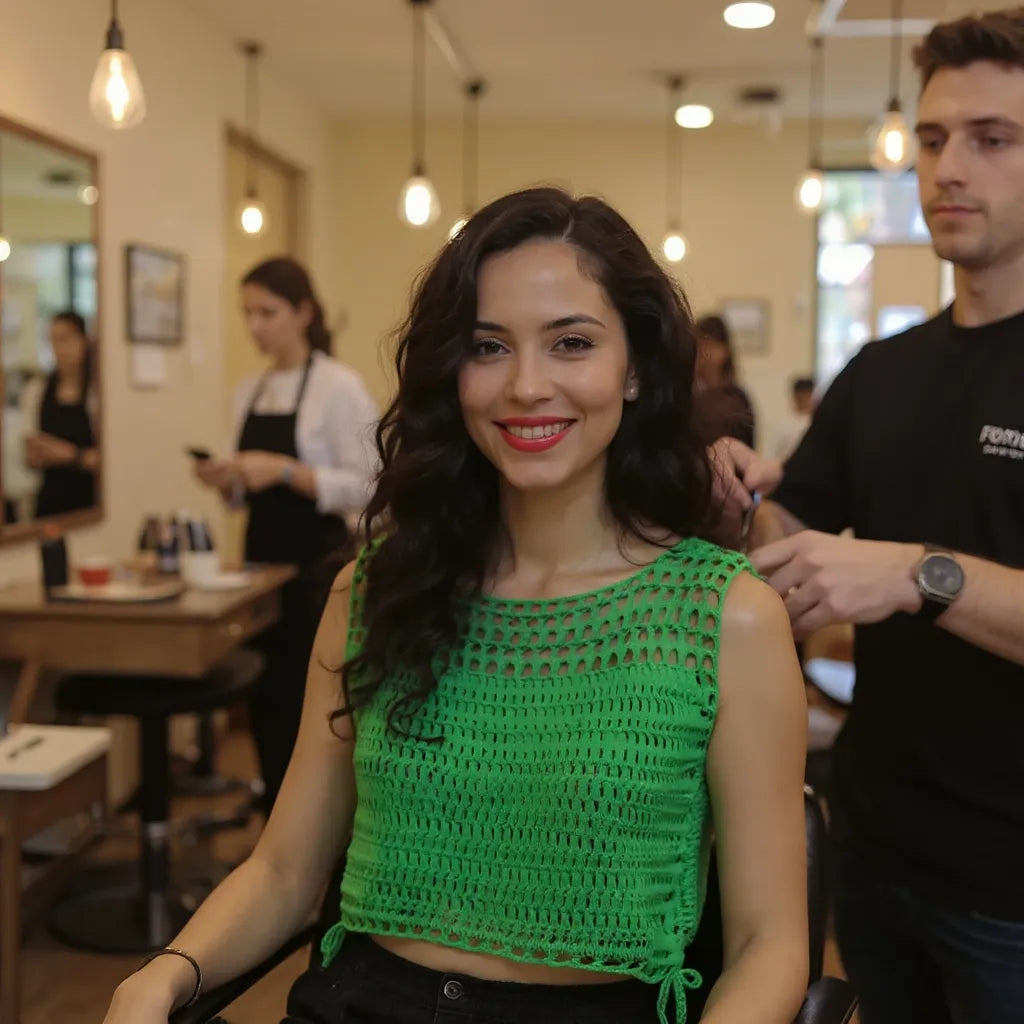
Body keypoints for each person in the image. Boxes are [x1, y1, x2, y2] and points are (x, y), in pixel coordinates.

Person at [103, 189, 808, 1024]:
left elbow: (770, 946)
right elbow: (287, 873)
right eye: (488, 347)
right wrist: (162, 974)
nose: (526, 386)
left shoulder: (725, 617)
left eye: (572, 343)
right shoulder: (375, 591)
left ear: (637, 368)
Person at [713, 10, 1024, 1022]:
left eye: (990, 139)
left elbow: (897, 571)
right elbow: (791, 547)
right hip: (874, 851)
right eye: (933, 140)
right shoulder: (880, 371)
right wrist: (749, 494)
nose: (946, 169)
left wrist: (919, 573)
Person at [194, 257, 378, 814]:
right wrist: (225, 481)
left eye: (267, 312)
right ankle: (275, 820)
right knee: (268, 702)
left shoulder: (338, 386)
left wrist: (284, 471)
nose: (255, 326)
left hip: (317, 568)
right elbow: (240, 498)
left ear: (303, 313)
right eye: (247, 313)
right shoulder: (247, 391)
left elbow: (371, 485)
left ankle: (322, 834)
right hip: (259, 571)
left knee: (314, 704)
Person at [21, 311, 99, 518]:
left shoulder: (97, 394)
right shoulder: (36, 391)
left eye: (65, 339)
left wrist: (72, 455)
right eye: (53, 340)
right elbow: (28, 457)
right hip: (49, 503)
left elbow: (112, 460)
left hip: (88, 502)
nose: (59, 348)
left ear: (83, 340)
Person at [693, 314, 756, 449]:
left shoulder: (737, 398)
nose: (704, 353)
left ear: (724, 350)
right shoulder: (689, 394)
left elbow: (748, 447)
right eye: (700, 346)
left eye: (710, 345)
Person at [772, 377, 814, 461]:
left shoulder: (817, 421)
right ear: (795, 395)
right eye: (801, 395)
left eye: (807, 395)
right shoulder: (782, 423)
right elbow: (772, 453)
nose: (804, 399)